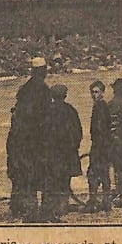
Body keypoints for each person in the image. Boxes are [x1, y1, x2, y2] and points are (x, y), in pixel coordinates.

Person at [7, 56, 51, 222]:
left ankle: (23, 206)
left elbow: (19, 114)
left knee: (24, 172)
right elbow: (45, 117)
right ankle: (40, 209)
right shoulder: (45, 90)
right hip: (38, 139)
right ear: (44, 71)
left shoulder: (24, 89)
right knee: (42, 173)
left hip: (22, 138)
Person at [42, 84, 82, 222]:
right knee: (65, 179)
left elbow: (43, 133)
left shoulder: (47, 111)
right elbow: (78, 132)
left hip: (52, 152)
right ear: (65, 95)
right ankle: (63, 205)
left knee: (52, 179)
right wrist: (74, 147)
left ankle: (53, 207)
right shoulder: (70, 110)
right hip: (67, 152)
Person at [86, 80, 112, 213]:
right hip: (103, 145)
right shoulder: (102, 106)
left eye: (96, 92)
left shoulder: (99, 107)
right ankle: (106, 202)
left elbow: (100, 128)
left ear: (102, 93)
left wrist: (99, 146)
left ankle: (93, 202)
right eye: (92, 92)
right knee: (103, 173)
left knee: (93, 173)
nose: (93, 95)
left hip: (100, 146)